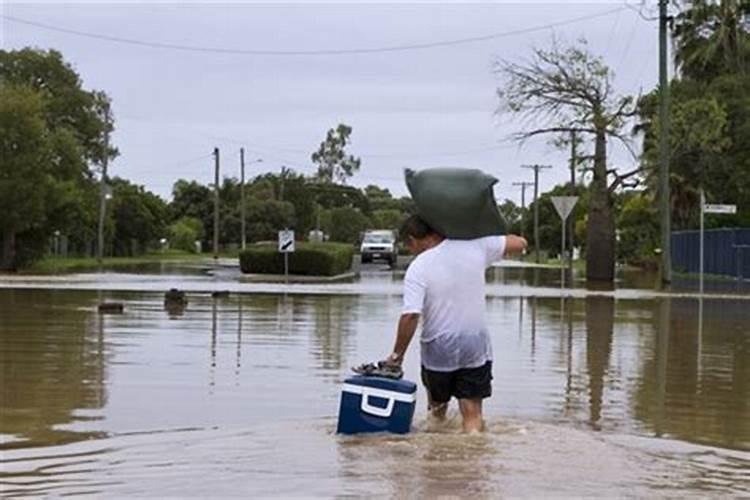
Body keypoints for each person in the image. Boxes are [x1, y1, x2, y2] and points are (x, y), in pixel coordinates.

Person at [380, 215, 527, 433]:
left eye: (409, 246)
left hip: (437, 347)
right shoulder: (476, 246)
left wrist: (396, 356)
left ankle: (439, 458)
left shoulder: (419, 267)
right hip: (474, 344)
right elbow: (521, 243)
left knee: (436, 412)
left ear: (413, 239)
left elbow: (411, 315)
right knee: (473, 413)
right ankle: (474, 449)